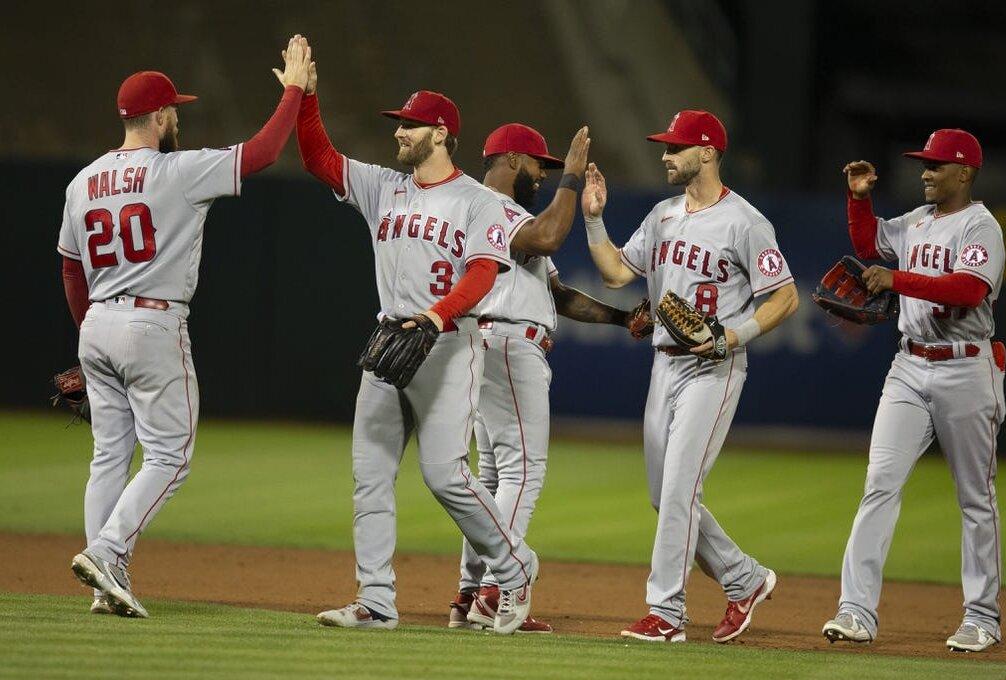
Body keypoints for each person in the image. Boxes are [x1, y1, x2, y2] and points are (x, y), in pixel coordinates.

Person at [64, 36, 312, 617]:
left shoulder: (82, 182)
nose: (177, 116)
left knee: (108, 457)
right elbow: (263, 152)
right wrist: (296, 90)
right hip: (151, 324)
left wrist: (85, 337)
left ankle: (105, 587)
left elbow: (72, 271)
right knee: (170, 455)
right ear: (156, 116)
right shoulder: (176, 170)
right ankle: (108, 551)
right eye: (173, 108)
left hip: (97, 322)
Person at [290, 59, 537, 634]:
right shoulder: (383, 186)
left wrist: (437, 313)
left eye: (411, 124)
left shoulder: (478, 202)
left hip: (450, 344)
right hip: (391, 340)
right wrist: (305, 96)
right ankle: (376, 600)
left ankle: (515, 564)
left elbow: (482, 273)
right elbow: (318, 159)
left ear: (441, 133)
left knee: (445, 475)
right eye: (399, 123)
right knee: (370, 473)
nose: (399, 131)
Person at [579, 110, 798, 643]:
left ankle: (667, 613)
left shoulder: (745, 221)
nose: (664, 155)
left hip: (713, 368)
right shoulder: (661, 216)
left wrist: (732, 336)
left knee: (679, 489)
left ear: (706, 152)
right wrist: (593, 219)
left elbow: (786, 297)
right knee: (665, 495)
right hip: (664, 365)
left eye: (675, 147)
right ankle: (742, 578)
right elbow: (615, 274)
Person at [449, 123, 653, 633]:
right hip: (509, 347)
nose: (544, 176)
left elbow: (557, 293)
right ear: (513, 160)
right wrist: (574, 179)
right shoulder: (489, 206)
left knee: (493, 480)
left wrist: (619, 317)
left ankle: (471, 594)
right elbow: (550, 233)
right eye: (540, 166)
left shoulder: (500, 214)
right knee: (523, 472)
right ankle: (498, 590)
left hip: (487, 346)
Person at [822, 129, 1006, 653]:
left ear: (965, 172)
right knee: (879, 482)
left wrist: (897, 280)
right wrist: (859, 199)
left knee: (976, 500)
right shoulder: (918, 221)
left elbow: (969, 290)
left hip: (967, 369)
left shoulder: (981, 225)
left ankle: (982, 617)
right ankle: (856, 611)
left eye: (936, 164)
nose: (924, 171)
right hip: (909, 364)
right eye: (924, 163)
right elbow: (870, 244)